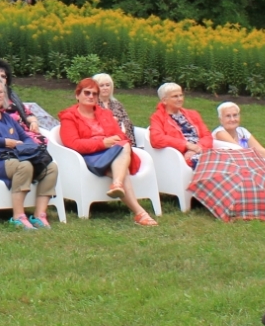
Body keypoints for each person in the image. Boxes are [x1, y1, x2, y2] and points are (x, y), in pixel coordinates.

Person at [0, 75, 57, 230]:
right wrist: (6, 142)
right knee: (24, 166)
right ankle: (18, 216)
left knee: (51, 168)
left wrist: (27, 148)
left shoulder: (7, 117)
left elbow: (25, 137)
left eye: (1, 92)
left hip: (14, 156)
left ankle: (40, 215)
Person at [58, 78, 157, 226]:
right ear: (77, 95)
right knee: (123, 155)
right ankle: (130, 201)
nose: (91, 96)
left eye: (94, 94)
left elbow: (121, 136)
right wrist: (103, 142)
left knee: (123, 146)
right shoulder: (69, 117)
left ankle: (138, 211)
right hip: (87, 158)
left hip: (111, 154)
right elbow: (73, 144)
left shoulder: (105, 114)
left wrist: (112, 141)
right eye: (87, 93)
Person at [148, 84, 213, 168]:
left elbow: (207, 135)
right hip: (181, 156)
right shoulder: (158, 117)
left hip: (201, 150)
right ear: (164, 100)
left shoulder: (193, 114)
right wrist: (186, 145)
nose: (180, 99)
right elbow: (156, 139)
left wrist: (197, 148)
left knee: (227, 160)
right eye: (175, 96)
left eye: (181, 95)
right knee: (209, 165)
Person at [91, 73, 134, 139]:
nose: (105, 88)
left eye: (107, 85)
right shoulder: (92, 105)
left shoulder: (117, 104)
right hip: (104, 140)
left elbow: (127, 121)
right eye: (101, 86)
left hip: (125, 137)